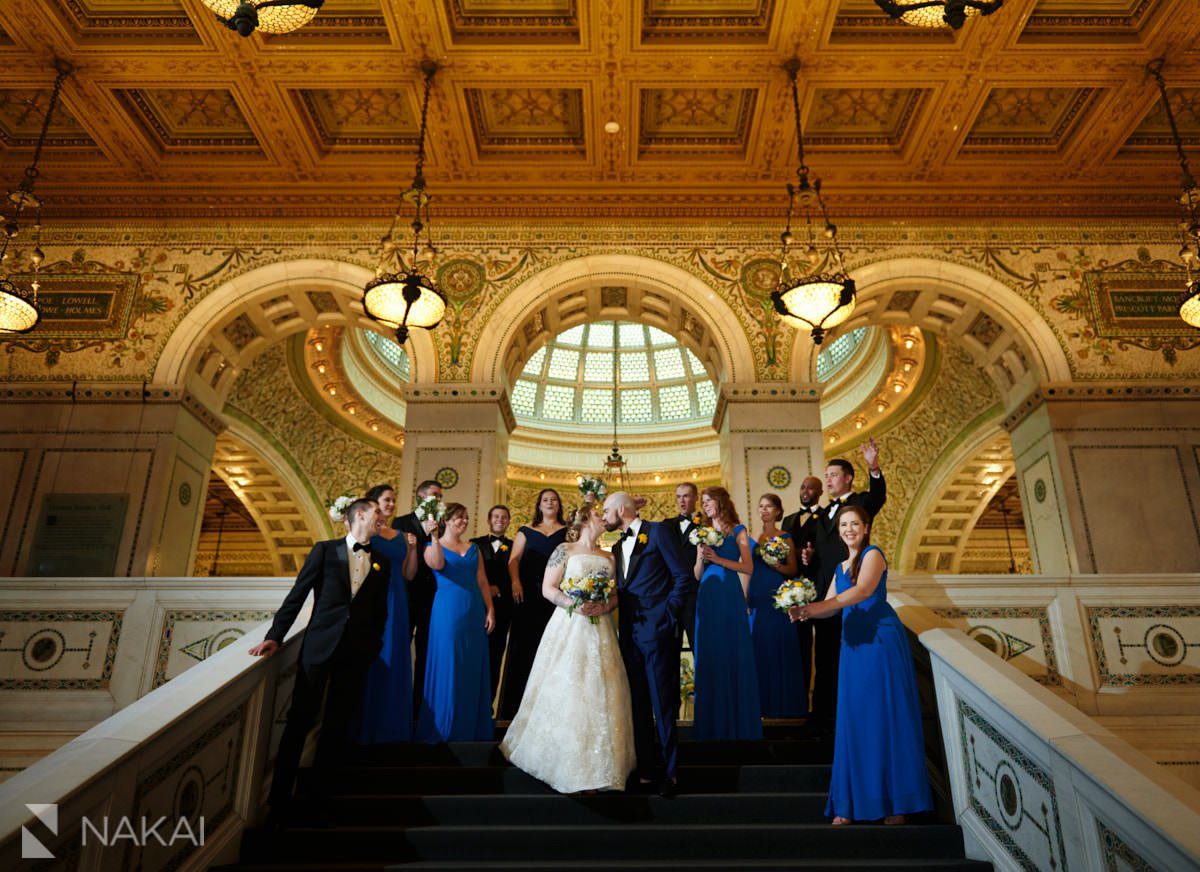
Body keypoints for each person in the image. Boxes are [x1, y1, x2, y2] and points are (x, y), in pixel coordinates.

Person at [790, 504, 932, 826]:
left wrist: (816, 607)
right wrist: (804, 610)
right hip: (853, 646)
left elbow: (864, 591)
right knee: (855, 720)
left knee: (885, 717)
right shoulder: (840, 566)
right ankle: (850, 803)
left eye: (854, 523)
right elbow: (829, 609)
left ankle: (895, 804)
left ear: (866, 528)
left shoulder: (873, 555)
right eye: (843, 524)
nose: (848, 529)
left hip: (880, 642)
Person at [250, 499, 390, 825]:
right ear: (359, 515)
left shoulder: (382, 561)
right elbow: (297, 595)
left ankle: (321, 797)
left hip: (355, 654)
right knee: (300, 719)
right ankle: (280, 797)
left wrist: (373, 647)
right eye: (377, 514)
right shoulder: (325, 551)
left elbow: (379, 612)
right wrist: (275, 635)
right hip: (319, 648)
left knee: (337, 724)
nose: (382, 519)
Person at [500, 503, 635, 793]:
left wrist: (603, 605)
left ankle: (601, 767)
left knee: (601, 690)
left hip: (601, 629)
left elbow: (616, 596)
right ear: (587, 520)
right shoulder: (564, 549)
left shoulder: (609, 557)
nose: (605, 520)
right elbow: (548, 588)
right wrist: (574, 604)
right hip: (570, 625)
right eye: (600, 515)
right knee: (571, 687)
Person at [602, 491, 693, 797]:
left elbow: (683, 577)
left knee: (662, 703)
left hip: (658, 631)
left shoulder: (658, 532)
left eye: (606, 510)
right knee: (638, 704)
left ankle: (672, 773)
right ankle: (645, 770)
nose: (603, 516)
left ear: (621, 508)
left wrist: (667, 616)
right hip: (628, 634)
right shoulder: (615, 546)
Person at [804, 438, 886, 735]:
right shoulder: (824, 512)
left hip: (853, 590)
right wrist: (809, 557)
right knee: (823, 657)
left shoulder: (861, 502)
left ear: (848, 478)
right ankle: (821, 716)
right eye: (826, 476)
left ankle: (847, 716)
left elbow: (878, 497)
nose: (828, 480)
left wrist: (873, 466)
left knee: (849, 655)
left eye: (833, 475)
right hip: (828, 591)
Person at [415, 503, 496, 742]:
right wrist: (433, 535)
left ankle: (471, 725)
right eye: (459, 517)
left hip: (473, 610)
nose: (464, 521)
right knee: (450, 665)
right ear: (446, 520)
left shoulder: (474, 548)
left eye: (466, 518)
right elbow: (437, 564)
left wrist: (490, 609)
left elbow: (482, 581)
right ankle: (445, 727)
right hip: (448, 612)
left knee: (471, 666)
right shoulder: (431, 546)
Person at [692, 486, 762, 741]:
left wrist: (718, 559)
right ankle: (711, 724)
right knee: (710, 652)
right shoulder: (703, 532)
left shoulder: (738, 530)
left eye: (710, 500)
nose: (706, 504)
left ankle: (737, 722)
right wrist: (701, 556)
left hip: (729, 594)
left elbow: (748, 566)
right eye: (704, 501)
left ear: (722, 502)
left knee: (730, 649)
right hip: (707, 594)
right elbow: (697, 575)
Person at [354, 484, 421, 743]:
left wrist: (413, 549)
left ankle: (392, 727)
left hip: (398, 600)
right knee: (374, 656)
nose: (391, 504)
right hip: (373, 599)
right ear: (373, 502)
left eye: (394, 500)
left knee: (396, 655)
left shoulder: (402, 535)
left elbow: (409, 574)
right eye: (386, 500)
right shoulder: (367, 532)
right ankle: (368, 726)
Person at [497, 489, 567, 720]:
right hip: (526, 597)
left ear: (559, 505)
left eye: (553, 499)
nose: (549, 502)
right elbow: (513, 559)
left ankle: (550, 714)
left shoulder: (568, 532)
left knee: (554, 650)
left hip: (556, 598)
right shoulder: (525, 531)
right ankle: (513, 712)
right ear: (539, 505)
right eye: (545, 500)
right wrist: (516, 582)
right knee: (523, 650)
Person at [746, 493, 806, 719]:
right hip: (755, 599)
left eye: (769, 506)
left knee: (778, 650)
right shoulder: (752, 537)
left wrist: (775, 566)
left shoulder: (785, 536)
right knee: (758, 651)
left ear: (778, 511)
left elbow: (792, 569)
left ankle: (783, 709)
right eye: (761, 506)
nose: (764, 510)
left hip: (776, 598)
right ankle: (759, 708)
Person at [393, 479, 443, 712]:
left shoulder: (441, 524)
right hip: (405, 593)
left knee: (426, 650)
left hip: (433, 594)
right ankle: (396, 702)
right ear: (420, 496)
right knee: (401, 645)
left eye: (440, 496)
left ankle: (418, 706)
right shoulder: (401, 522)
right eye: (435, 494)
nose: (438, 499)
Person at [470, 505, 514, 707]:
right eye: (496, 516)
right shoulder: (474, 544)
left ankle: (487, 705)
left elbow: (518, 576)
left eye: (504, 517)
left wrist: (501, 589)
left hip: (503, 610)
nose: (500, 520)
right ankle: (468, 703)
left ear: (508, 522)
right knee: (473, 656)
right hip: (476, 607)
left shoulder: (516, 546)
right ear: (489, 520)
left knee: (495, 657)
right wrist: (486, 589)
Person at [662, 482, 702, 650]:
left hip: (695, 594)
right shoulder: (666, 525)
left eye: (686, 496)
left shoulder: (705, 525)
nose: (682, 501)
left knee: (698, 645)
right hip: (670, 595)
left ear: (695, 498)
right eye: (678, 497)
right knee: (669, 650)